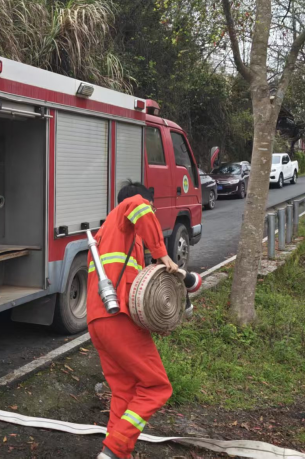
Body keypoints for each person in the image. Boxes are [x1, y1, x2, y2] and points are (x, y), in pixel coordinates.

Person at [88, 181, 179, 459]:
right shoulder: (126, 215)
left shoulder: (106, 235)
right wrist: (161, 253)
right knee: (157, 387)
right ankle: (115, 450)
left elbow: (135, 291)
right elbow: (138, 205)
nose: (152, 215)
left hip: (98, 322)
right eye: (153, 210)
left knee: (124, 391)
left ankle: (114, 453)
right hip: (118, 319)